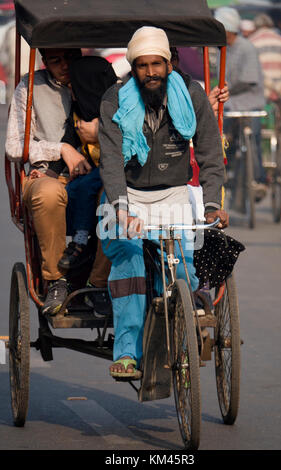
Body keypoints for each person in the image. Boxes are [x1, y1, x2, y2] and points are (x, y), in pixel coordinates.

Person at [97, 26, 228, 379]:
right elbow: (110, 162)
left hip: (174, 195)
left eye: (157, 64)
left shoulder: (193, 95)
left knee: (184, 263)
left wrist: (213, 204)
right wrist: (122, 209)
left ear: (170, 64)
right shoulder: (114, 99)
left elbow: (211, 155)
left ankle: (181, 328)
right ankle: (126, 353)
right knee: (130, 260)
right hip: (125, 196)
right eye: (143, 65)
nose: (151, 72)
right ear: (134, 67)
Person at [5, 48, 93, 316]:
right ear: (45, 63)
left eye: (70, 58)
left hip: (95, 173)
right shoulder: (30, 85)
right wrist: (61, 150)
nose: (65, 66)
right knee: (48, 193)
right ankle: (56, 280)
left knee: (117, 196)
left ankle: (100, 280)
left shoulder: (96, 78)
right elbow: (14, 145)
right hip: (46, 176)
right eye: (56, 61)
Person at [53, 56, 118, 271]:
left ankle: (80, 239)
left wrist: (99, 133)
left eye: (75, 85)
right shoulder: (79, 112)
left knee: (86, 184)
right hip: (98, 169)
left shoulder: (115, 109)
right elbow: (68, 141)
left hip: (121, 166)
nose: (71, 89)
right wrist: (51, 174)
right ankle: (85, 238)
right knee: (73, 187)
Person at [214, 7, 267, 199]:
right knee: (223, 139)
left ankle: (259, 179)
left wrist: (227, 88)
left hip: (250, 102)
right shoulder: (222, 50)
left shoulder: (246, 47)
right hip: (231, 104)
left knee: (253, 139)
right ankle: (228, 172)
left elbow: (249, 79)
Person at [249, 13, 281, 119]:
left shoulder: (251, 42)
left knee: (259, 128)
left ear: (256, 26)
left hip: (260, 93)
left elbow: (253, 70)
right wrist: (278, 87)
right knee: (280, 127)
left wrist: (270, 87)